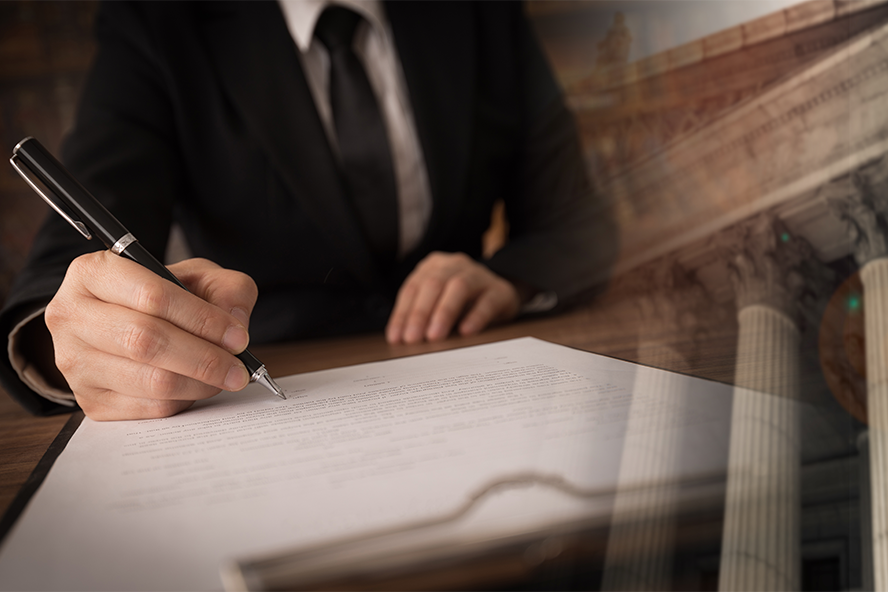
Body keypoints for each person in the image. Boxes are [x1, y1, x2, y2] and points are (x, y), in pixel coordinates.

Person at [0, 0, 616, 420]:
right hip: (254, 383)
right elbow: (70, 264)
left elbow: (580, 222)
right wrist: (81, 341)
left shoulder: (478, 11)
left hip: (475, 366)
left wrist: (509, 278)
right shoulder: (158, 21)